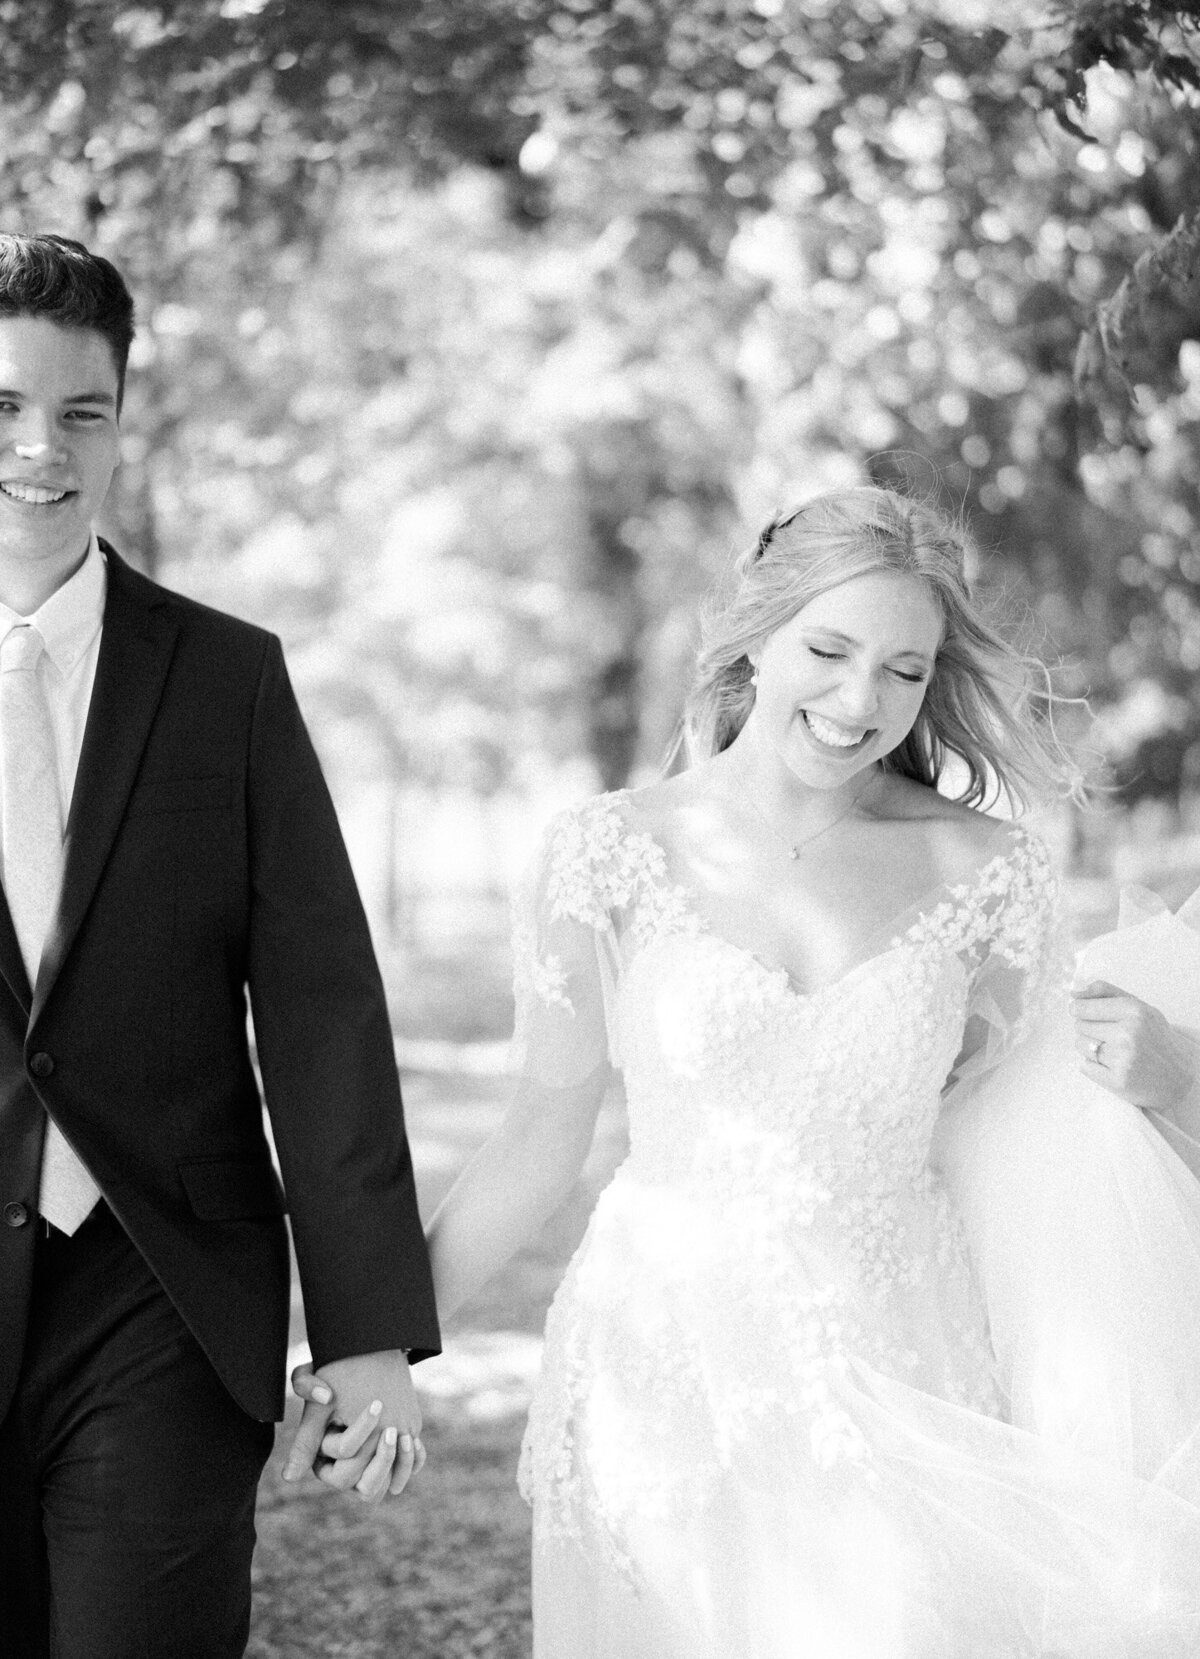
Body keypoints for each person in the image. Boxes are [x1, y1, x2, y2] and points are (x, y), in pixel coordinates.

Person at [298, 484, 1200, 1654]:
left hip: (907, 1366)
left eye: (905, 671)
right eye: (828, 649)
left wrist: (1176, 1079)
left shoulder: (990, 871)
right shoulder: (605, 853)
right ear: (754, 634)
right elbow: (536, 1142)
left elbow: (1050, 1154)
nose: (858, 700)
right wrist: (374, 1347)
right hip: (655, 1373)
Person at [0, 233, 440, 1659]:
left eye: (81, 411)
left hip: (162, 1290)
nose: (40, 449)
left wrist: (369, 1325)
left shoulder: (226, 677)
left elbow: (320, 1006)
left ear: (124, 421)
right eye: (6, 407)